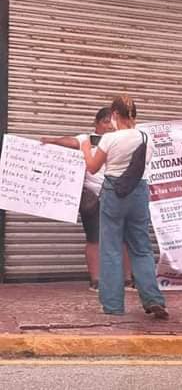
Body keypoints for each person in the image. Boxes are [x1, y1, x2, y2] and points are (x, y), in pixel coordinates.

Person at [80, 95, 168, 319]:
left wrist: (84, 147)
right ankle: (153, 300)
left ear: (114, 115)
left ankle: (113, 305)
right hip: (138, 192)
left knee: (110, 249)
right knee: (141, 247)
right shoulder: (146, 138)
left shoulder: (110, 139)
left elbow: (92, 167)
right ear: (134, 115)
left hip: (113, 193)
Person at [41, 107, 134, 292]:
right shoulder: (86, 139)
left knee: (124, 239)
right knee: (94, 239)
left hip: (119, 195)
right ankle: (96, 280)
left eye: (112, 121)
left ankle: (127, 280)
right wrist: (52, 140)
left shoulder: (122, 139)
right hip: (93, 197)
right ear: (97, 123)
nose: (109, 126)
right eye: (105, 121)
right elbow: (69, 141)